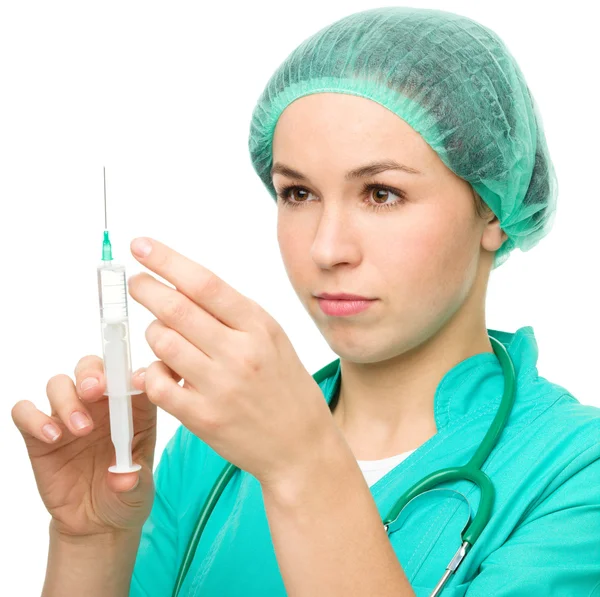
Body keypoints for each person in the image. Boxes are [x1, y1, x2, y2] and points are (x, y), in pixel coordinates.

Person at [12, 6, 600, 597]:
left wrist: (301, 467)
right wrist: (90, 543)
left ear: (494, 209)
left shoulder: (576, 472)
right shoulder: (215, 446)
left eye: (381, 193)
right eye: (297, 193)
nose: (326, 247)